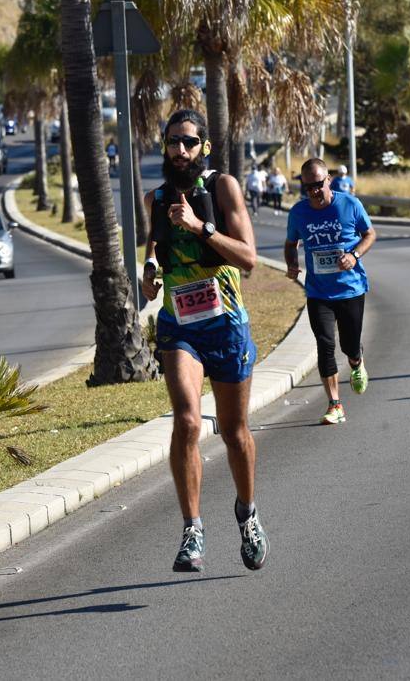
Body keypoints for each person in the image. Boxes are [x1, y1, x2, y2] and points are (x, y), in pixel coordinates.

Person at [141, 109, 269, 573]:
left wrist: (201, 227)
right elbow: (152, 250)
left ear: (204, 146)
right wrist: (150, 274)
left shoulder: (223, 188)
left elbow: (250, 258)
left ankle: (247, 513)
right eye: (173, 142)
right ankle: (191, 528)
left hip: (227, 325)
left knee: (235, 433)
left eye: (189, 143)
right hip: (181, 328)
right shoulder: (154, 199)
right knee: (188, 422)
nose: (180, 151)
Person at [284, 158, 375, 424]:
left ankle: (356, 361)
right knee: (325, 345)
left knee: (349, 345)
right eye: (308, 186)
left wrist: (354, 255)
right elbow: (292, 243)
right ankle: (335, 404)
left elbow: (370, 234)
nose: (313, 191)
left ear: (329, 181)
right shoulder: (298, 212)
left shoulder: (349, 204)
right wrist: (291, 263)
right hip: (318, 292)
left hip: (350, 289)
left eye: (318, 184)